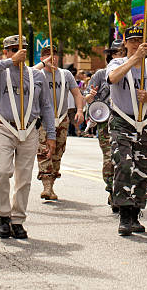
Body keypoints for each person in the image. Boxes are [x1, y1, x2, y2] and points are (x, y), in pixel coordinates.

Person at [0, 35, 56, 239]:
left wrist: (51, 135)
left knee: (24, 177)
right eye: (13, 49)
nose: (18, 52)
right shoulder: (0, 72)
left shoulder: (37, 76)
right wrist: (10, 61)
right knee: (2, 171)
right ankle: (3, 214)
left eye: (22, 48)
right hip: (4, 127)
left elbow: (46, 106)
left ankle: (17, 219)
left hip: (29, 129)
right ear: (5, 51)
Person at [107, 27, 147, 235]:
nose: (135, 44)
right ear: (125, 43)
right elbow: (112, 78)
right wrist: (134, 60)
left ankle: (135, 212)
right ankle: (124, 213)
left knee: (144, 169)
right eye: (132, 40)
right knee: (124, 164)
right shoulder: (117, 63)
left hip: (146, 122)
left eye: (139, 40)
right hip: (122, 121)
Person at [33, 45, 84, 200]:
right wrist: (43, 64)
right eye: (47, 55)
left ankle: (52, 183)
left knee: (57, 153)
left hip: (61, 119)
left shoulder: (65, 74)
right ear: (42, 58)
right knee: (44, 151)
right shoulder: (38, 73)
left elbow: (77, 94)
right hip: (42, 120)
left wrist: (80, 110)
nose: (52, 57)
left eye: (54, 54)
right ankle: (46, 186)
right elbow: (27, 74)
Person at [84, 39, 125, 210]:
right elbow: (86, 96)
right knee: (109, 158)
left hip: (125, 121)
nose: (121, 55)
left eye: (123, 52)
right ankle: (112, 190)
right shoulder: (100, 75)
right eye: (117, 53)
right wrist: (90, 97)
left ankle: (123, 192)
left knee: (124, 159)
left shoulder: (132, 72)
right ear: (111, 56)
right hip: (105, 123)